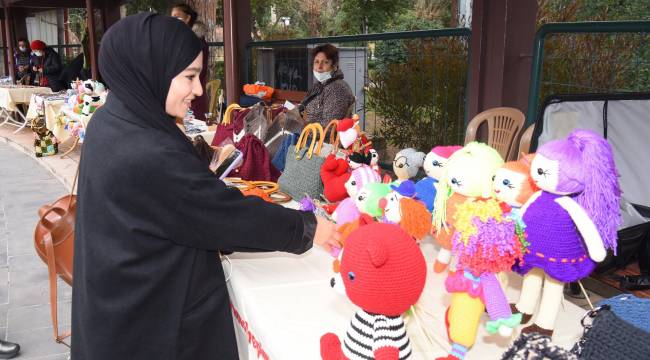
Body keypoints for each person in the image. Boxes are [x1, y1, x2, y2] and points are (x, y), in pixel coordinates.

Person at [71, 13, 339, 360]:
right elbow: (222, 217)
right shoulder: (147, 151)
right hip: (152, 327)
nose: (198, 90)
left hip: (118, 310)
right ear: (150, 70)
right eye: (189, 77)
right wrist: (309, 228)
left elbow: (170, 200)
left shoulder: (112, 119)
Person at [299, 44, 354, 126]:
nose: (319, 67)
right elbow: (303, 106)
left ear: (334, 66)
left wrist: (300, 128)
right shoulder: (319, 85)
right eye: (316, 62)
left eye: (325, 62)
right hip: (308, 133)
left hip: (318, 137)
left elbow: (329, 127)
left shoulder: (337, 89)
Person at [171, 3, 209, 121]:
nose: (174, 21)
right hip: (185, 98)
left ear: (188, 18)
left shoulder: (195, 42)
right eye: (172, 17)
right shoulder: (183, 40)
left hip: (192, 99)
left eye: (177, 17)